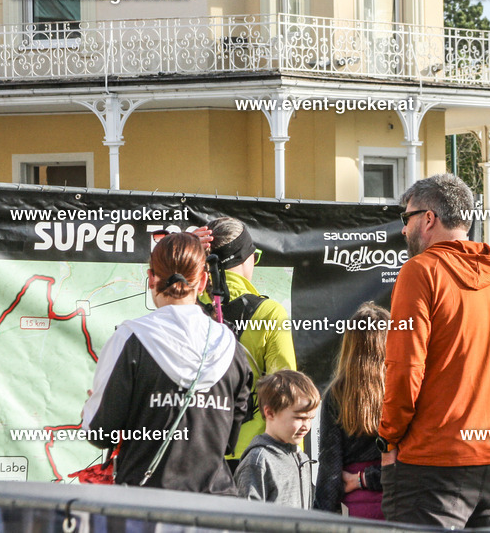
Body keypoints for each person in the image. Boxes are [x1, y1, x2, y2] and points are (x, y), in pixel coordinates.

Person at [379, 173, 490, 528]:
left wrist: (389, 438)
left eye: (407, 218)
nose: (404, 229)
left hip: (432, 462)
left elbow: (405, 368)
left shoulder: (419, 271)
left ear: (429, 219)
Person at [81, 232, 252, 493]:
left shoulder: (130, 339)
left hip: (147, 502)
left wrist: (92, 408)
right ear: (203, 281)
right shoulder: (230, 345)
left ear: (151, 278)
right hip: (216, 504)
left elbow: (100, 433)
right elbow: (229, 440)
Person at [206, 216, 297, 468]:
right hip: (252, 452)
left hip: (196, 451)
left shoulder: (187, 307)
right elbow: (286, 390)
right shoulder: (270, 313)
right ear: (246, 259)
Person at [314, 302, 388, 520]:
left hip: (356, 509)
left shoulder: (337, 393)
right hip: (398, 503)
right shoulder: (404, 390)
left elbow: (330, 467)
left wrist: (319, 521)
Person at [235, 370, 318, 508]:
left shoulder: (302, 458)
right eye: (299, 418)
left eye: (310, 419)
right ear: (270, 413)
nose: (306, 426)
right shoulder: (258, 461)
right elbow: (246, 516)